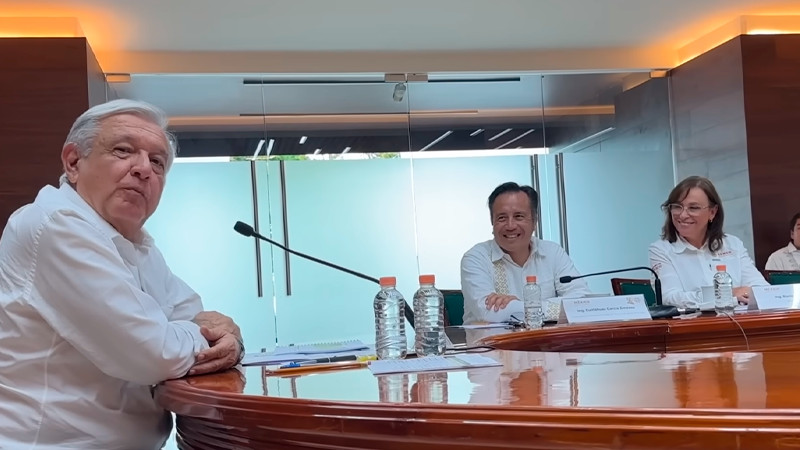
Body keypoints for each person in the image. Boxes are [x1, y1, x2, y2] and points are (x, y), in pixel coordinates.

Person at [0, 99, 244, 449]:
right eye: (123, 151)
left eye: (157, 162)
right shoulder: (55, 225)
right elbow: (153, 353)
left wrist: (223, 336)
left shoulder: (137, 243)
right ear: (73, 162)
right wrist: (206, 337)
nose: (143, 169)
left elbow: (192, 314)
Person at [460, 182, 590, 324]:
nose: (510, 226)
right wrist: (557, 309)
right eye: (502, 218)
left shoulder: (553, 252)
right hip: (493, 339)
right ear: (492, 222)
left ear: (534, 222)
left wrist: (518, 306)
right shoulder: (475, 258)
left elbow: (583, 302)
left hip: (550, 338)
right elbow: (488, 312)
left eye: (519, 216)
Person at [648, 176, 768, 308]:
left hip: (741, 318)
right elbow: (670, 298)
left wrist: (739, 295)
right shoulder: (661, 250)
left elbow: (761, 289)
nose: (682, 215)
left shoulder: (733, 244)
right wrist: (728, 294)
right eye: (677, 207)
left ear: (712, 212)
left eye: (693, 208)